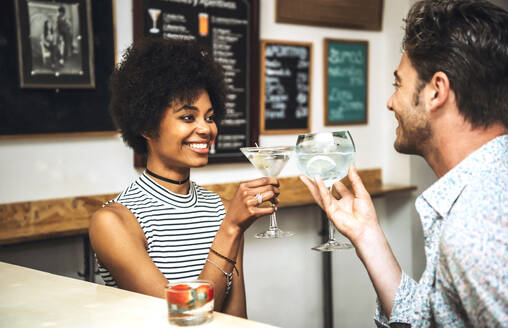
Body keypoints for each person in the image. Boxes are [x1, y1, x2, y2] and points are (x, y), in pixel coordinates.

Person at [300, 0, 507, 326]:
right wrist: (367, 234)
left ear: (436, 91)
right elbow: (429, 319)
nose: (391, 101)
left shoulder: (478, 225)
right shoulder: (480, 193)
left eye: (398, 83)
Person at [89, 38, 280, 317]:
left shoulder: (222, 209)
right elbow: (184, 316)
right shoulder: (113, 223)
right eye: (188, 118)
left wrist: (231, 224)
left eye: (210, 117)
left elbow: (236, 319)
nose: (206, 129)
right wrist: (230, 229)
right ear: (146, 124)